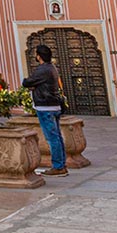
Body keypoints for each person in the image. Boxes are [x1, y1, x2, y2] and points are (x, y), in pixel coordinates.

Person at [24, 45, 69, 176]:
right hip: (54, 105)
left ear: (39, 56)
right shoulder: (52, 68)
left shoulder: (43, 69)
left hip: (45, 106)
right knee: (57, 136)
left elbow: (26, 82)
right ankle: (61, 164)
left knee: (52, 138)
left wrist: (30, 83)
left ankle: (58, 166)